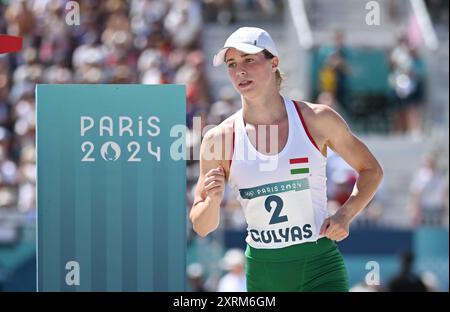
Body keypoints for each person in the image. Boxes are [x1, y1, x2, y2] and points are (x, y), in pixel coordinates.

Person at [189, 27, 383, 292]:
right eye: (232, 64)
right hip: (264, 271)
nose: (240, 71)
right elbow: (202, 226)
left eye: (249, 60)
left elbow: (371, 169)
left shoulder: (317, 119)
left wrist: (345, 215)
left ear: (274, 63)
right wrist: (212, 201)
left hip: (320, 265)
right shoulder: (218, 139)